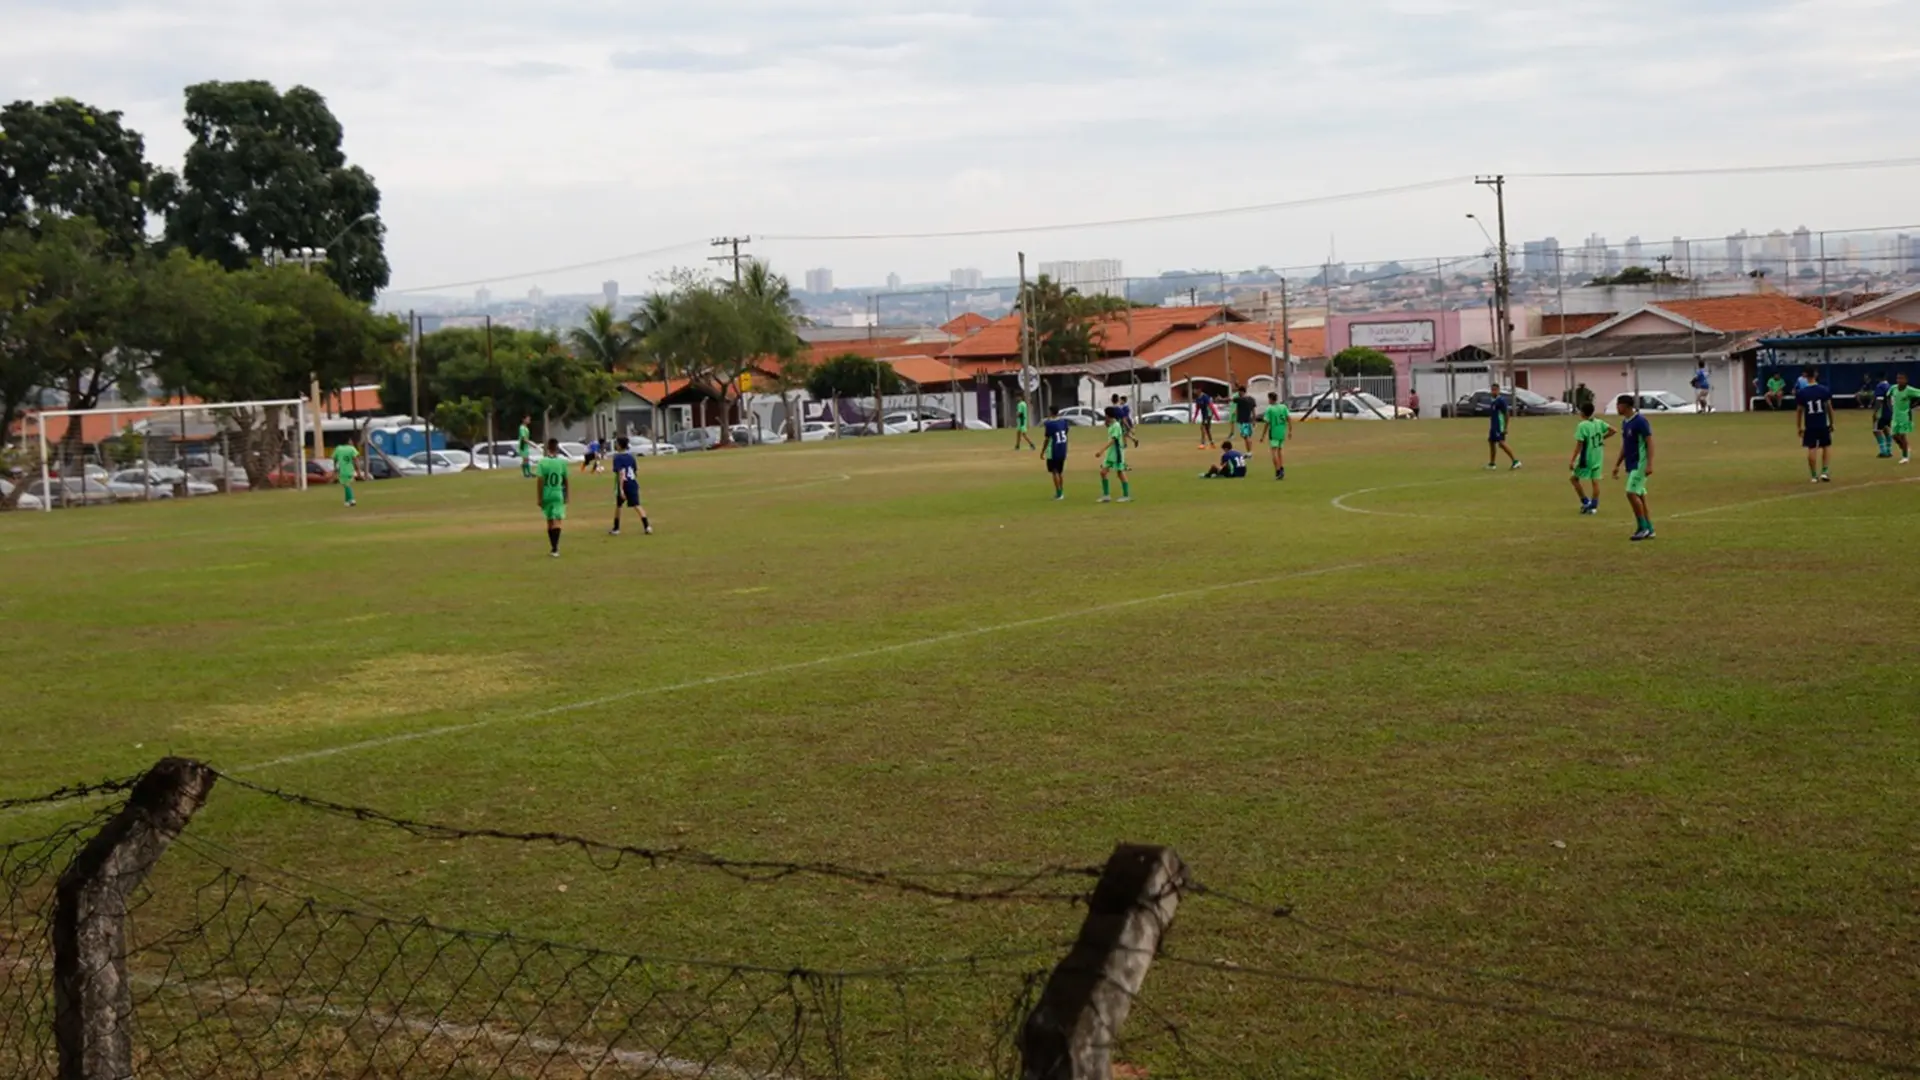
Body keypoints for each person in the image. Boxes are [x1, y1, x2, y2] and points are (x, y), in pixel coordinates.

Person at [1612, 394, 1655, 541]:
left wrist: (1649, 464)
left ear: (1626, 406)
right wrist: (1617, 464)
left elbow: (1649, 442)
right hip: (1631, 464)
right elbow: (1625, 445)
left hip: (1640, 463)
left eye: (1619, 405)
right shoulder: (1625, 422)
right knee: (1640, 496)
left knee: (1631, 493)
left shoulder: (1640, 421)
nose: (1617, 407)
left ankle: (1642, 527)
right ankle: (1649, 528)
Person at [1567, 401, 1613, 515]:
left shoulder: (1582, 425)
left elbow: (1579, 445)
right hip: (1598, 456)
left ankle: (1586, 501)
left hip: (1586, 458)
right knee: (1595, 481)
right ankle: (1594, 507)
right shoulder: (1598, 422)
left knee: (1574, 479)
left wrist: (1572, 460)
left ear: (1582, 413)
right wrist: (1601, 439)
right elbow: (1613, 430)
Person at [1794, 367, 1834, 483]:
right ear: (1816, 375)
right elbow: (1829, 408)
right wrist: (1831, 422)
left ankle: (1813, 475)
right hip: (1822, 423)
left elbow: (1799, 411)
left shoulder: (1802, 393)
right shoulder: (1824, 390)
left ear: (1805, 376)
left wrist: (1799, 427)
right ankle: (1825, 472)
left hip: (1810, 425)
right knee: (1826, 446)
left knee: (1812, 448)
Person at [535, 437, 570, 557]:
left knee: (549, 520)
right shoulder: (562, 462)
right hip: (558, 493)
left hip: (547, 494)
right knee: (558, 521)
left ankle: (553, 547)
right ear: (557, 448)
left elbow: (540, 481)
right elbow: (565, 480)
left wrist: (539, 497)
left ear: (547, 448)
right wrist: (567, 495)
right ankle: (555, 548)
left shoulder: (542, 462)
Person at [608, 437, 650, 535]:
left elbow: (621, 473)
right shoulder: (631, 457)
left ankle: (616, 528)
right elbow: (634, 471)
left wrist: (621, 489)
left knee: (619, 505)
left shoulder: (617, 457)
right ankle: (647, 526)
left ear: (619, 445)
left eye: (616, 443)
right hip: (633, 483)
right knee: (637, 505)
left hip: (623, 483)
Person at [1097, 407, 1132, 503]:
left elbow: (1113, 440)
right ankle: (1106, 495)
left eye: (1106, 415)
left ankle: (1126, 495)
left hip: (1116, 453)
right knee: (1103, 472)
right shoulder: (1112, 424)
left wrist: (1101, 451)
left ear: (1108, 415)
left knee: (1120, 473)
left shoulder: (1116, 425)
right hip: (1110, 454)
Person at [1485, 383, 1520, 470]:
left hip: (1499, 426)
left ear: (1498, 390)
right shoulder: (1493, 400)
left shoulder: (1501, 401)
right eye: (1492, 390)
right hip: (1493, 426)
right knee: (1491, 443)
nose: (1493, 392)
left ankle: (1515, 461)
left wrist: (1505, 427)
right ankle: (1492, 464)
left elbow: (1507, 414)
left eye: (1495, 390)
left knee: (1501, 443)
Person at [1259, 391, 1291, 480]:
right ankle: (1281, 468)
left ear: (1270, 399)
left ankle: (1278, 471)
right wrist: (1290, 431)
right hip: (1282, 431)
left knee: (1273, 452)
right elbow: (1289, 418)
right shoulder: (1283, 407)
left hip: (1274, 432)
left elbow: (1267, 423)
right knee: (1280, 451)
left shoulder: (1269, 409)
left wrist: (1263, 436)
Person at [1042, 405, 1072, 500]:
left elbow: (1047, 439)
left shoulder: (1049, 424)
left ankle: (1059, 494)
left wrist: (1042, 451)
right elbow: (1066, 432)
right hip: (1062, 448)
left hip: (1053, 449)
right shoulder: (1063, 422)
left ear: (1050, 412)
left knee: (1054, 471)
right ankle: (1061, 491)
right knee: (1060, 471)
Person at [1890, 371, 1920, 464]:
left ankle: (1905, 457)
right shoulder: (1893, 388)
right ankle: (1905, 448)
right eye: (1898, 378)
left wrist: (1913, 405)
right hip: (1895, 416)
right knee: (1894, 435)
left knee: (1902, 436)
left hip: (1905, 416)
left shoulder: (1909, 390)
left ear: (1906, 380)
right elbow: (1888, 396)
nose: (1899, 380)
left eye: (1902, 378)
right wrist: (1890, 407)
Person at [330, 440, 359, 508]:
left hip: (343, 470)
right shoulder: (352, 448)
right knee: (346, 484)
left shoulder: (338, 448)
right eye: (351, 441)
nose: (352, 443)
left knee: (346, 485)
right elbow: (356, 459)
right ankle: (346, 502)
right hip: (350, 469)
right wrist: (358, 470)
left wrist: (335, 468)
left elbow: (334, 459)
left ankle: (352, 500)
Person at [1872, 373, 1895, 458]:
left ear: (1878, 378)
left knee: (1876, 430)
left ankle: (1883, 451)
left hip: (1883, 412)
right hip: (1892, 412)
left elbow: (1879, 401)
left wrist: (1875, 412)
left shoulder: (1880, 387)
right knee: (1886, 429)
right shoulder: (1891, 386)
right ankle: (1889, 450)